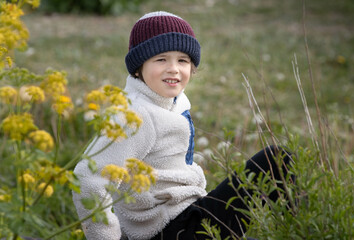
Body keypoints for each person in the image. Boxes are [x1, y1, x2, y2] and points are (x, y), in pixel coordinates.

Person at [73, 11, 294, 240]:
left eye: (183, 60)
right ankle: (304, 227)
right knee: (277, 160)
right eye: (161, 59)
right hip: (169, 230)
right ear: (138, 67)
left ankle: (302, 226)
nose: (174, 69)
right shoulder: (135, 115)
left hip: (187, 216)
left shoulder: (170, 103)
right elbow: (88, 178)